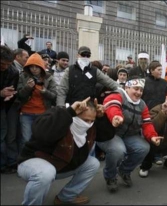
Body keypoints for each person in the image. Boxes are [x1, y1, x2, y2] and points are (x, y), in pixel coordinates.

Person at [17, 97, 101, 205]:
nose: (88, 124)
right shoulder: (58, 114)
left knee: (93, 163)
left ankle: (65, 197)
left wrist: (102, 118)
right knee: (45, 173)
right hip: (32, 162)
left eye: (91, 121)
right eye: (85, 120)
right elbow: (42, 133)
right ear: (75, 114)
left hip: (60, 165)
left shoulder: (90, 128)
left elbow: (105, 137)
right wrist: (69, 113)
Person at [97, 76, 163, 193]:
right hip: (111, 134)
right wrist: (116, 117)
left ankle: (124, 171)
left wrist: (152, 136)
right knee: (118, 150)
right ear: (127, 87)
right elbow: (113, 106)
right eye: (136, 88)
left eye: (141, 90)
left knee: (143, 148)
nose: (138, 92)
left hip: (128, 135)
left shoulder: (142, 104)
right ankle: (110, 177)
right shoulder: (117, 95)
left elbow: (147, 123)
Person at [17, 53, 57, 150]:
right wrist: (27, 88)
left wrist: (45, 91)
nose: (34, 69)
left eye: (37, 66)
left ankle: (39, 160)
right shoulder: (23, 76)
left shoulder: (49, 77)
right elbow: (19, 95)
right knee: (26, 140)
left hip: (43, 113)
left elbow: (54, 95)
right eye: (31, 66)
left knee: (42, 139)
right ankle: (25, 161)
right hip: (26, 113)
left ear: (41, 67)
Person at [0, 45, 19, 174]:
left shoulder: (13, 72)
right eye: (2, 64)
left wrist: (8, 96)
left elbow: (12, 90)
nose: (5, 67)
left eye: (8, 64)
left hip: (2, 107)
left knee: (3, 135)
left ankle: (2, 164)